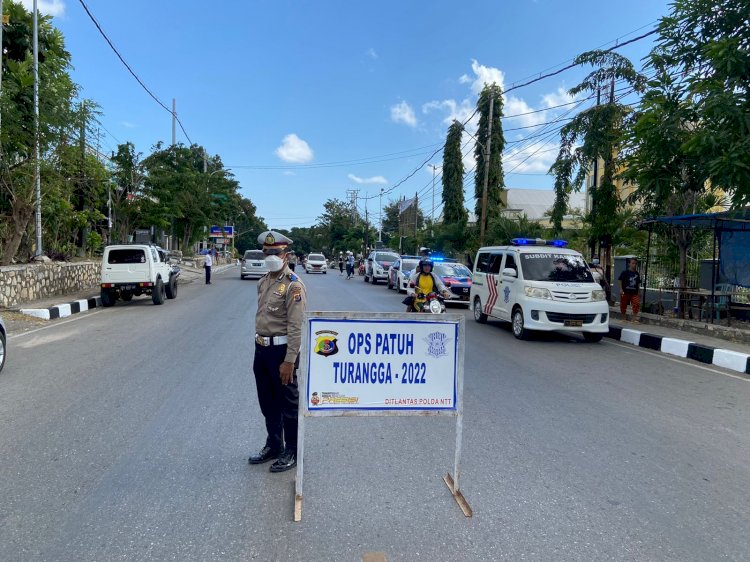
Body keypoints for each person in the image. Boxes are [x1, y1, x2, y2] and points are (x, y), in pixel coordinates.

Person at [248, 230, 307, 472]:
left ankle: (291, 450)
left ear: (286, 255)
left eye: (276, 252)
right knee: (267, 402)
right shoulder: (264, 281)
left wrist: (290, 361)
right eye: (267, 252)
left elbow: (296, 326)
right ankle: (274, 444)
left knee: (288, 405)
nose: (271, 255)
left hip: (282, 352)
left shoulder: (293, 285)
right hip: (261, 350)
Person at [618, 258, 641, 322]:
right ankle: (623, 318)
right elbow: (620, 280)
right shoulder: (625, 272)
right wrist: (621, 289)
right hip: (625, 291)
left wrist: (639, 291)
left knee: (636, 304)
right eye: (633, 263)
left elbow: (638, 283)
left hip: (634, 292)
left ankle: (634, 318)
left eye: (635, 264)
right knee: (623, 304)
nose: (634, 265)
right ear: (629, 264)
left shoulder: (637, 274)